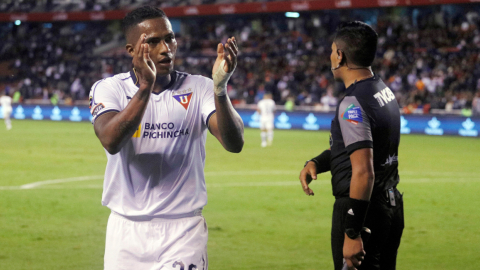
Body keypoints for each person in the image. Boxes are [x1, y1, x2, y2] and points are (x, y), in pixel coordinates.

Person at [88, 6, 244, 270]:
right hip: (126, 230)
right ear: (131, 50)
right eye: (152, 41)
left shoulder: (200, 87)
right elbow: (111, 140)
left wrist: (219, 88)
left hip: (183, 229)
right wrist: (146, 87)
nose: (165, 48)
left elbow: (234, 143)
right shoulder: (109, 89)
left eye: (169, 38)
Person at [299, 21, 404, 270]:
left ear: (340, 55)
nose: (330, 55)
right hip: (390, 204)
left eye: (332, 50)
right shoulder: (383, 91)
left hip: (362, 210)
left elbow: (364, 171)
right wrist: (317, 162)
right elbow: (363, 147)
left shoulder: (352, 103)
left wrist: (352, 232)